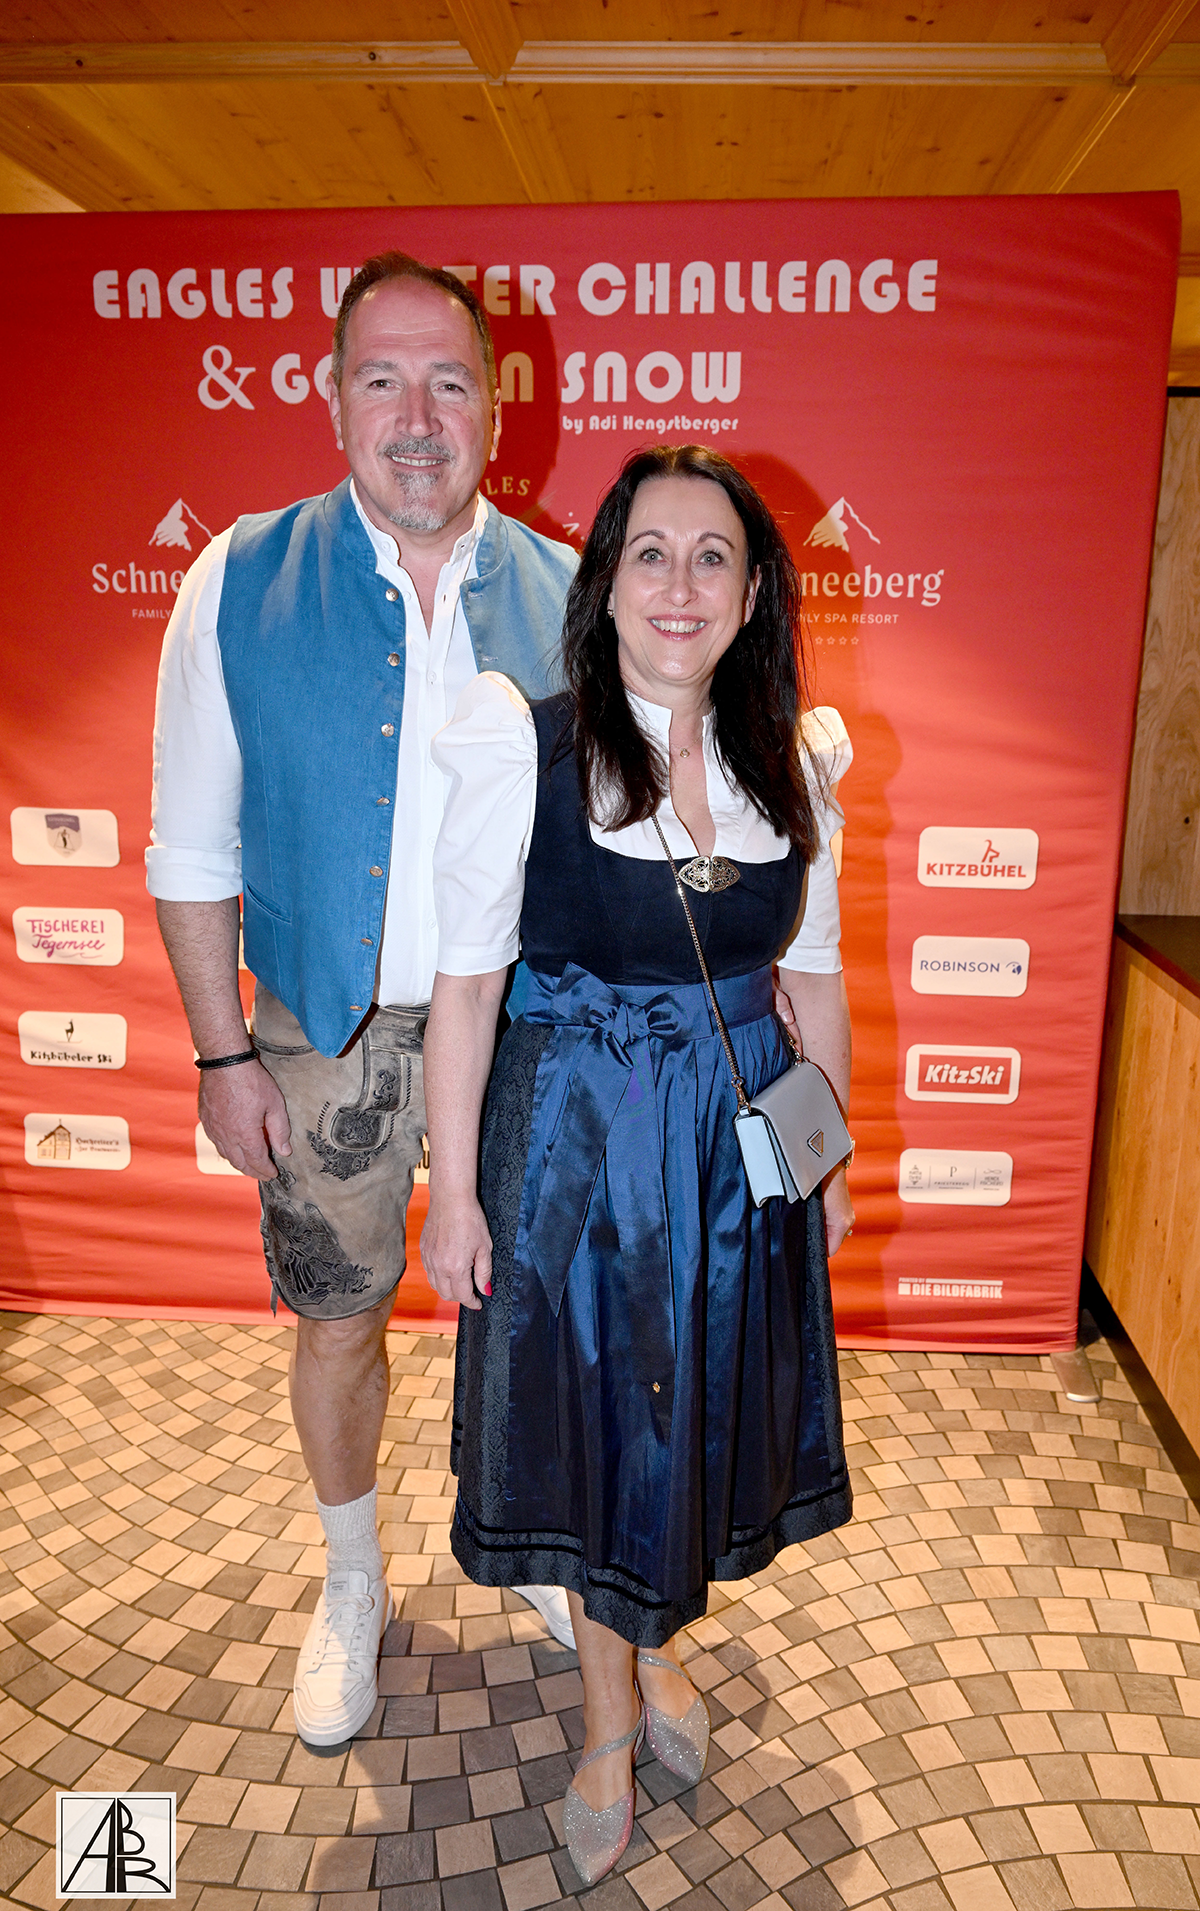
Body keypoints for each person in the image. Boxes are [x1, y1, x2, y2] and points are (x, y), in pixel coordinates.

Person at [146, 251, 579, 1751]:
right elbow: (191, 847)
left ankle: (534, 1544)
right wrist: (222, 1055)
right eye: (382, 379)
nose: (417, 416)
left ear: (493, 406)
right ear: (333, 399)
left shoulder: (573, 594)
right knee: (337, 1320)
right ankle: (350, 1578)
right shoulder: (237, 579)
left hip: (525, 1034)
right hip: (318, 1033)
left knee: (529, 1315)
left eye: (449, 382)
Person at [421, 443, 855, 1883]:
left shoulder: (794, 761)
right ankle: (607, 1712)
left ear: (753, 593)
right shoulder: (524, 749)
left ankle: (659, 1642)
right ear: (606, 583)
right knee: (600, 1428)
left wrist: (827, 1165)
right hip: (579, 1151)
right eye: (650, 553)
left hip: (734, 1156)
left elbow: (818, 980)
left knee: (697, 1414)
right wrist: (455, 1194)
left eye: (713, 556)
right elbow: (469, 988)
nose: (681, 583)